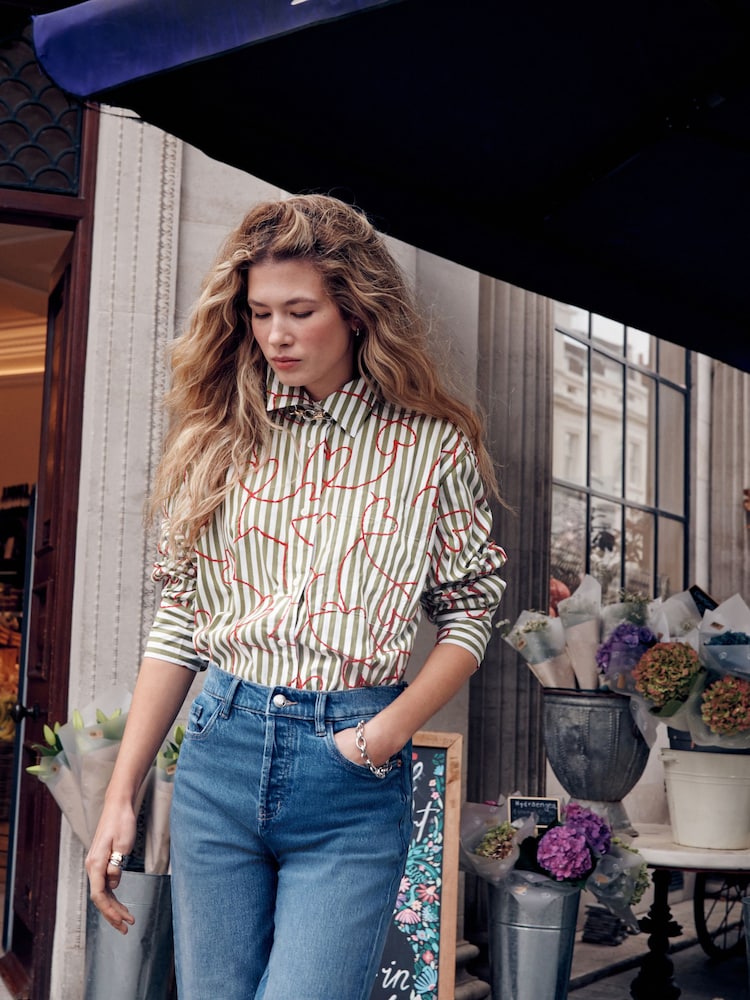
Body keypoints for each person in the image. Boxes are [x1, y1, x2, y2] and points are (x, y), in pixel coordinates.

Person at [86, 194, 508, 1000]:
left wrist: (382, 736)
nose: (276, 335)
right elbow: (181, 622)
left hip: (349, 773)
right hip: (221, 753)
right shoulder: (218, 439)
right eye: (259, 313)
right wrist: (121, 794)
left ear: (354, 311)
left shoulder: (429, 447)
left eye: (300, 311)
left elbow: (469, 610)